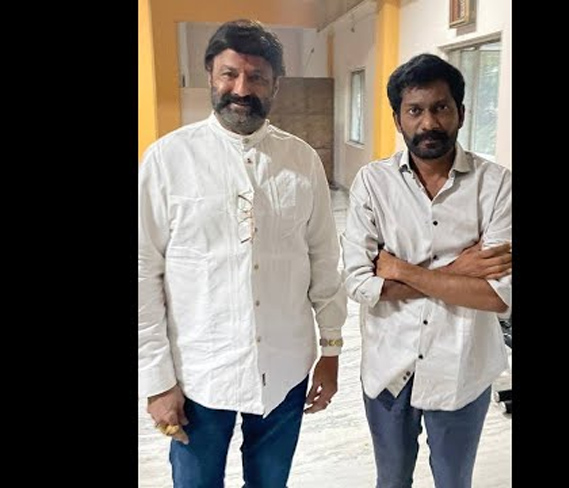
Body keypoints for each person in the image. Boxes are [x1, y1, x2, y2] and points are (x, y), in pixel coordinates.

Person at [138, 19, 347, 488]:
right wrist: (156, 381)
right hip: (198, 373)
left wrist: (331, 350)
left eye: (256, 77)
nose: (241, 89)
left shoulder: (301, 161)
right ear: (210, 76)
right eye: (229, 74)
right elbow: (142, 273)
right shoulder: (168, 160)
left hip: (285, 366)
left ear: (275, 85)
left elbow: (324, 260)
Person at [340, 53, 512, 488]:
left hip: (462, 369)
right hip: (389, 367)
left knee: (454, 482)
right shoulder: (373, 183)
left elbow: (498, 295)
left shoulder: (497, 185)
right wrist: (461, 271)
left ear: (461, 113)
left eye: (441, 108)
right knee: (392, 480)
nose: (429, 123)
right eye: (415, 110)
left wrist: (401, 270)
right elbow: (359, 282)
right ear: (398, 119)